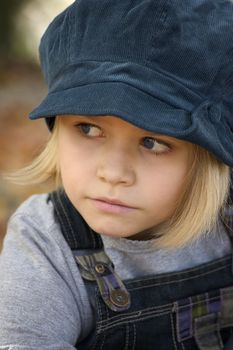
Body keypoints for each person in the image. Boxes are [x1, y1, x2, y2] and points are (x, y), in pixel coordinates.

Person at [0, 0, 233, 348]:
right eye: (89, 129)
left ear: (211, 158)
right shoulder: (47, 244)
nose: (113, 173)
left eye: (152, 142)